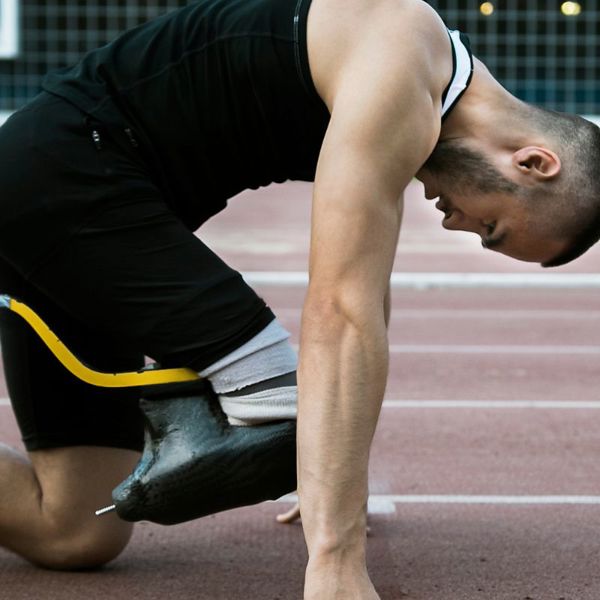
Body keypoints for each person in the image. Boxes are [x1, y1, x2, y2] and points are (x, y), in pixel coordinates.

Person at [0, 0, 598, 597]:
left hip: (100, 239)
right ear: (532, 163)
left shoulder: (417, 101)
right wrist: (335, 555)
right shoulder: (399, 49)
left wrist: (336, 482)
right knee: (280, 403)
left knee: (74, 533)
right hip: (67, 174)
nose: (454, 227)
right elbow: (341, 312)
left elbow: (367, 298)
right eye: (489, 227)